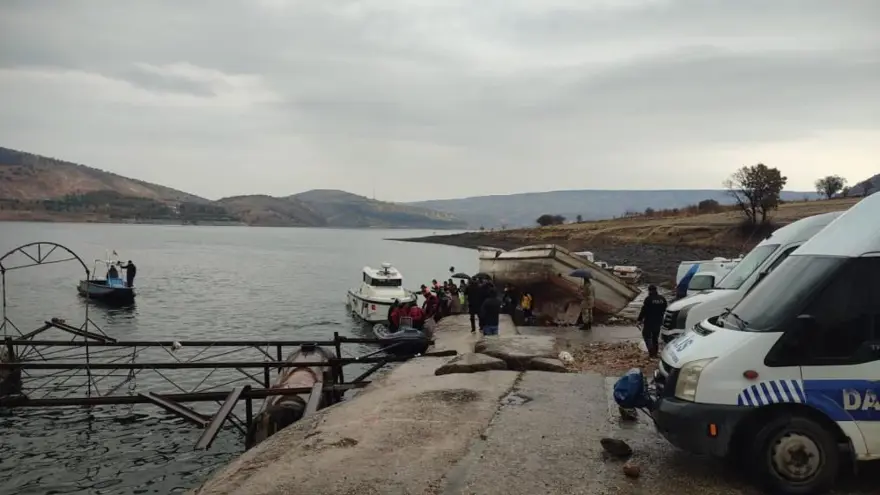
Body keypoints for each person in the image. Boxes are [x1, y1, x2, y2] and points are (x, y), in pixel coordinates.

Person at [637, 285, 668, 358]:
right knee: (655, 337)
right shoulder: (662, 298)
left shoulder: (648, 299)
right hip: (658, 321)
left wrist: (639, 320)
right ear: (656, 290)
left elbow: (644, 310)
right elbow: (664, 309)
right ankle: (655, 353)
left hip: (649, 321)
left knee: (646, 336)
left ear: (649, 291)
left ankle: (651, 353)